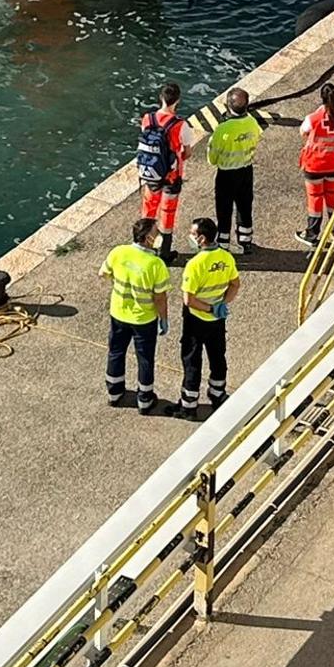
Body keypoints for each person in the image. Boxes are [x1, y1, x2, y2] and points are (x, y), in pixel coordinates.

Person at [100, 215, 170, 414]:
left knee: (115, 352)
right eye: (156, 234)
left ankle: (114, 393)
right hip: (143, 319)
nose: (159, 236)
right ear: (148, 238)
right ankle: (145, 400)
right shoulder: (155, 265)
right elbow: (160, 298)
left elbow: (103, 274)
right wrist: (163, 318)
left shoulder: (118, 252)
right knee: (145, 358)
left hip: (118, 314)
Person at [176, 216, 239, 418]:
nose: (190, 237)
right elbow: (235, 284)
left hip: (196, 319)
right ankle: (217, 393)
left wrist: (208, 308)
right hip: (218, 320)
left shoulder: (195, 264)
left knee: (192, 360)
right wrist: (222, 304)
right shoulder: (226, 257)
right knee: (217, 356)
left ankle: (189, 405)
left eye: (193, 234)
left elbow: (189, 300)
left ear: (202, 238)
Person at [137, 81, 192, 260]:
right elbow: (187, 152)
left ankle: (143, 247)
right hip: (171, 177)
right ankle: (164, 252)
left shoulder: (147, 119)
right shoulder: (180, 125)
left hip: (150, 173)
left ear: (161, 98)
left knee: (148, 210)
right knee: (167, 213)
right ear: (178, 100)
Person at [206, 87, 261, 253]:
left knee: (224, 208)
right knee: (245, 206)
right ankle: (245, 240)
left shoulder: (223, 130)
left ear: (228, 107)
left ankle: (223, 242)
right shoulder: (252, 123)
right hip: (246, 170)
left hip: (227, 174)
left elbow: (212, 158)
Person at [297, 80, 334, 250]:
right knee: (333, 196)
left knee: (315, 199)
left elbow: (303, 132)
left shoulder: (313, 118)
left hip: (315, 165)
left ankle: (312, 234)